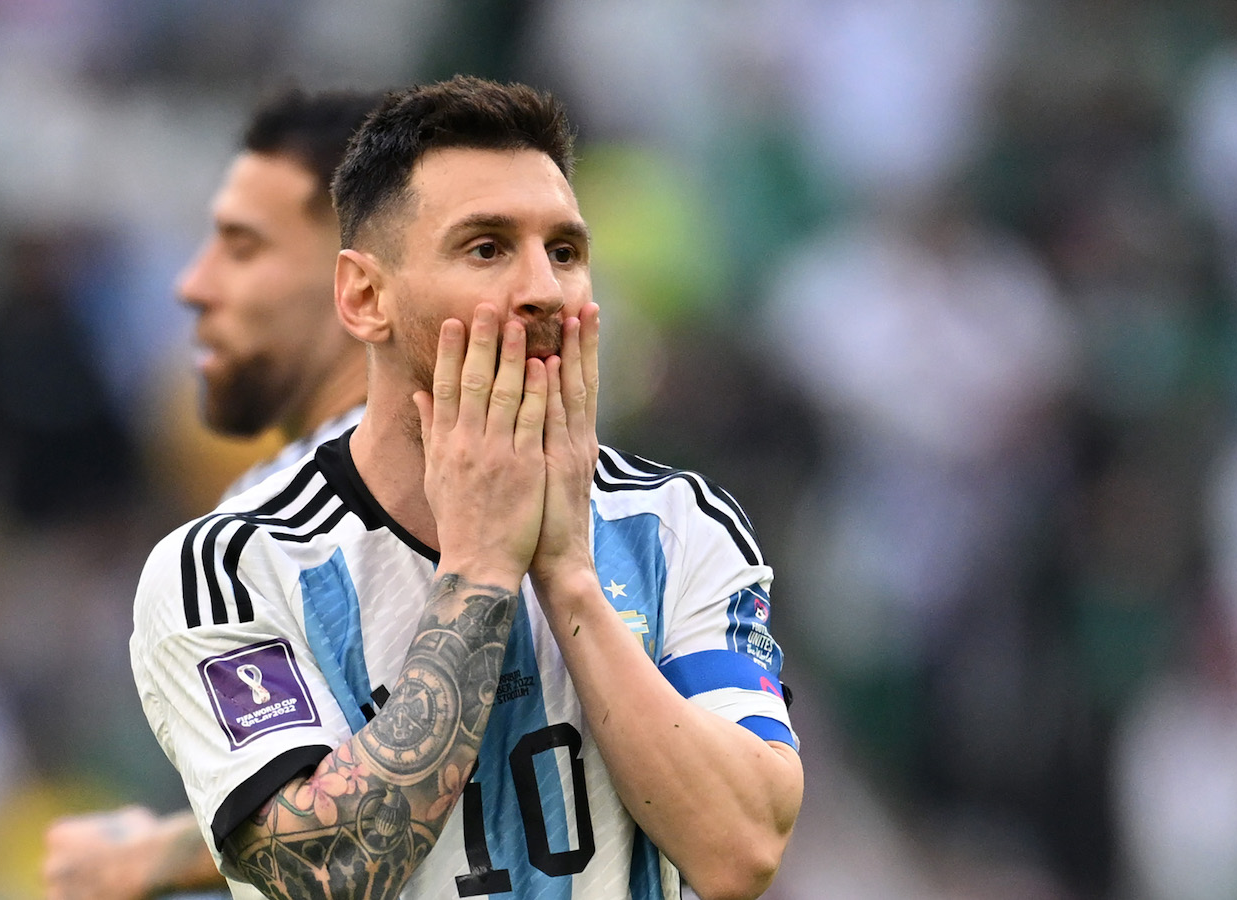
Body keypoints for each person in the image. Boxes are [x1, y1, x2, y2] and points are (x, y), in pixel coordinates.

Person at [130, 76, 804, 900]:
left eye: (564, 252)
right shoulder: (232, 569)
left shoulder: (675, 525)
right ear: (364, 296)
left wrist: (567, 573)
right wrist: (482, 566)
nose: (542, 290)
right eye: (486, 248)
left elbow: (740, 853)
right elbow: (322, 872)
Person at [43, 87, 384, 900]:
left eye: (241, 246)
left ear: (356, 271)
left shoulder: (352, 501)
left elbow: (340, 841)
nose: (192, 285)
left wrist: (147, 859)